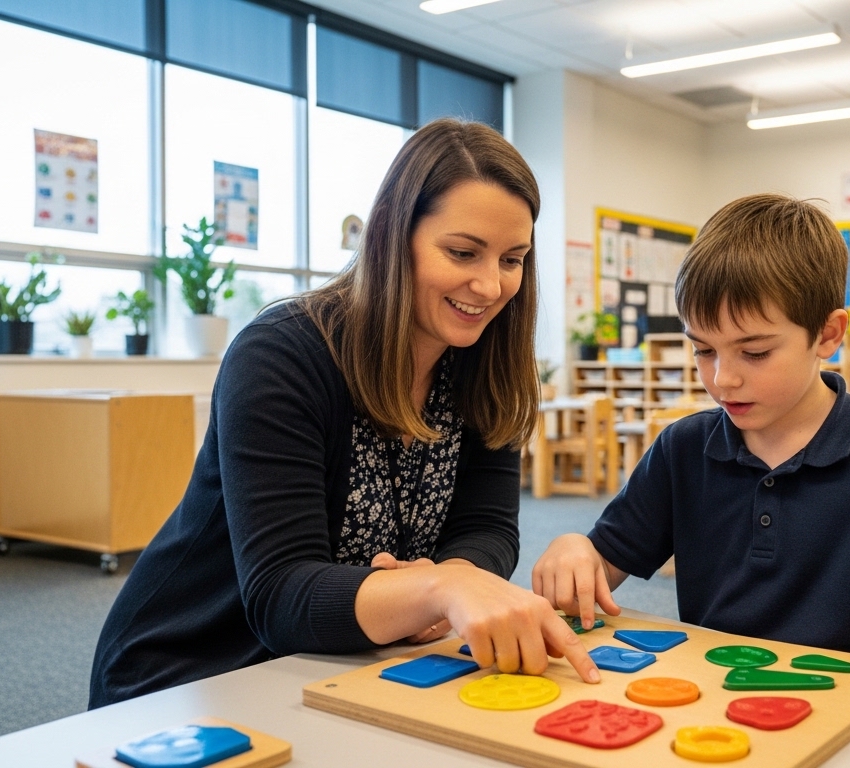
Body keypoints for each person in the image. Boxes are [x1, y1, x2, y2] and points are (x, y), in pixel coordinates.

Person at [90, 120, 599, 708]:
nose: (489, 285)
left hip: (355, 660)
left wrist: (439, 588)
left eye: (512, 259)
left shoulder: (487, 362)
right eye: (462, 252)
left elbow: (487, 529)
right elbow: (280, 595)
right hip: (198, 671)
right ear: (390, 235)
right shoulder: (281, 354)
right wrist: (436, 587)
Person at [531, 194, 850, 684]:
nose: (722, 379)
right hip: (714, 712)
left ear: (828, 335)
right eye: (703, 349)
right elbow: (601, 566)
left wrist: (844, 701)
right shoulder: (683, 449)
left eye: (756, 353)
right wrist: (576, 548)